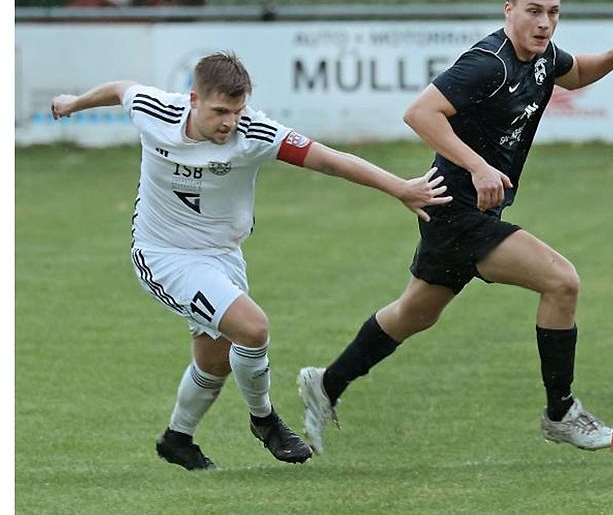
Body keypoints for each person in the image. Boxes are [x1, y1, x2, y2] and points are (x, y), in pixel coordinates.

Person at [297, 0, 613, 454]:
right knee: (562, 282)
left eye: (552, 12)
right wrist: (479, 165)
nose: (544, 21)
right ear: (508, 10)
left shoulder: (544, 56)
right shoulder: (488, 64)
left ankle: (326, 384)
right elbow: (421, 113)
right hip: (459, 211)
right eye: (533, 10)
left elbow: (575, 73)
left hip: (453, 210)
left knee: (414, 314)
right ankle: (561, 412)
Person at [49, 52, 451, 470]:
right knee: (252, 328)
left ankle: (177, 438)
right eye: (220, 111)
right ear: (193, 100)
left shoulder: (256, 132)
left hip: (223, 255)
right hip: (163, 255)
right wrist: (74, 103)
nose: (229, 122)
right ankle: (266, 421)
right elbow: (120, 89)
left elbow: (331, 160)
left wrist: (399, 187)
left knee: (215, 361)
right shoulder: (156, 111)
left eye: (236, 111)